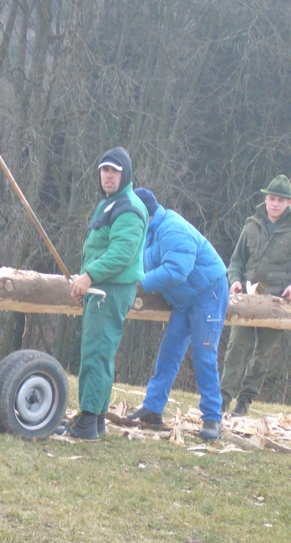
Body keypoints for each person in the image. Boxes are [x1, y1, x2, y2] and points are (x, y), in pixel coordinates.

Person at [59, 147, 148, 440]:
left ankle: (86, 422)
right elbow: (99, 249)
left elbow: (122, 253)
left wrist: (89, 276)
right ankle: (94, 418)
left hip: (110, 289)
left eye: (115, 171)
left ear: (126, 175)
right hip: (99, 287)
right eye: (104, 170)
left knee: (97, 354)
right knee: (98, 353)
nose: (108, 176)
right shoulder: (109, 204)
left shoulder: (130, 208)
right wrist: (82, 282)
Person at [128, 188, 228, 441]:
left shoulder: (173, 229)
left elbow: (176, 270)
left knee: (204, 355)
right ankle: (152, 409)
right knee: (169, 352)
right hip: (184, 299)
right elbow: (139, 266)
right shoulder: (148, 233)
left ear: (144, 214)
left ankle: (213, 419)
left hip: (208, 293)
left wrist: (138, 285)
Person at [220, 174, 291, 417]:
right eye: (272, 198)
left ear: (288, 203)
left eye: (281, 200)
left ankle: (245, 401)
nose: (275, 204)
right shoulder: (251, 225)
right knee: (235, 349)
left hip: (277, 304)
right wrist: (236, 280)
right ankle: (222, 400)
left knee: (262, 356)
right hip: (248, 300)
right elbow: (236, 261)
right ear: (265, 199)